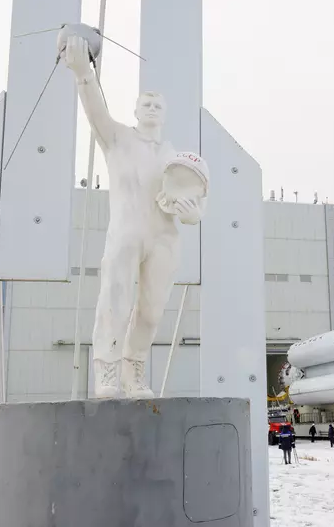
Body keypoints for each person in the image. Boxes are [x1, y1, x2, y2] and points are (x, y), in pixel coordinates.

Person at [62, 34, 208, 399]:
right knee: (115, 300)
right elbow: (95, 110)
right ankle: (107, 370)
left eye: (159, 103)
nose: (153, 106)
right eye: (147, 102)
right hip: (127, 232)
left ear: (166, 113)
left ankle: (134, 371)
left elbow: (195, 200)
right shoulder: (117, 139)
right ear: (136, 110)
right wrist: (85, 75)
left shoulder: (179, 158)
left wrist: (193, 215)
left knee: (151, 310)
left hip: (164, 238)